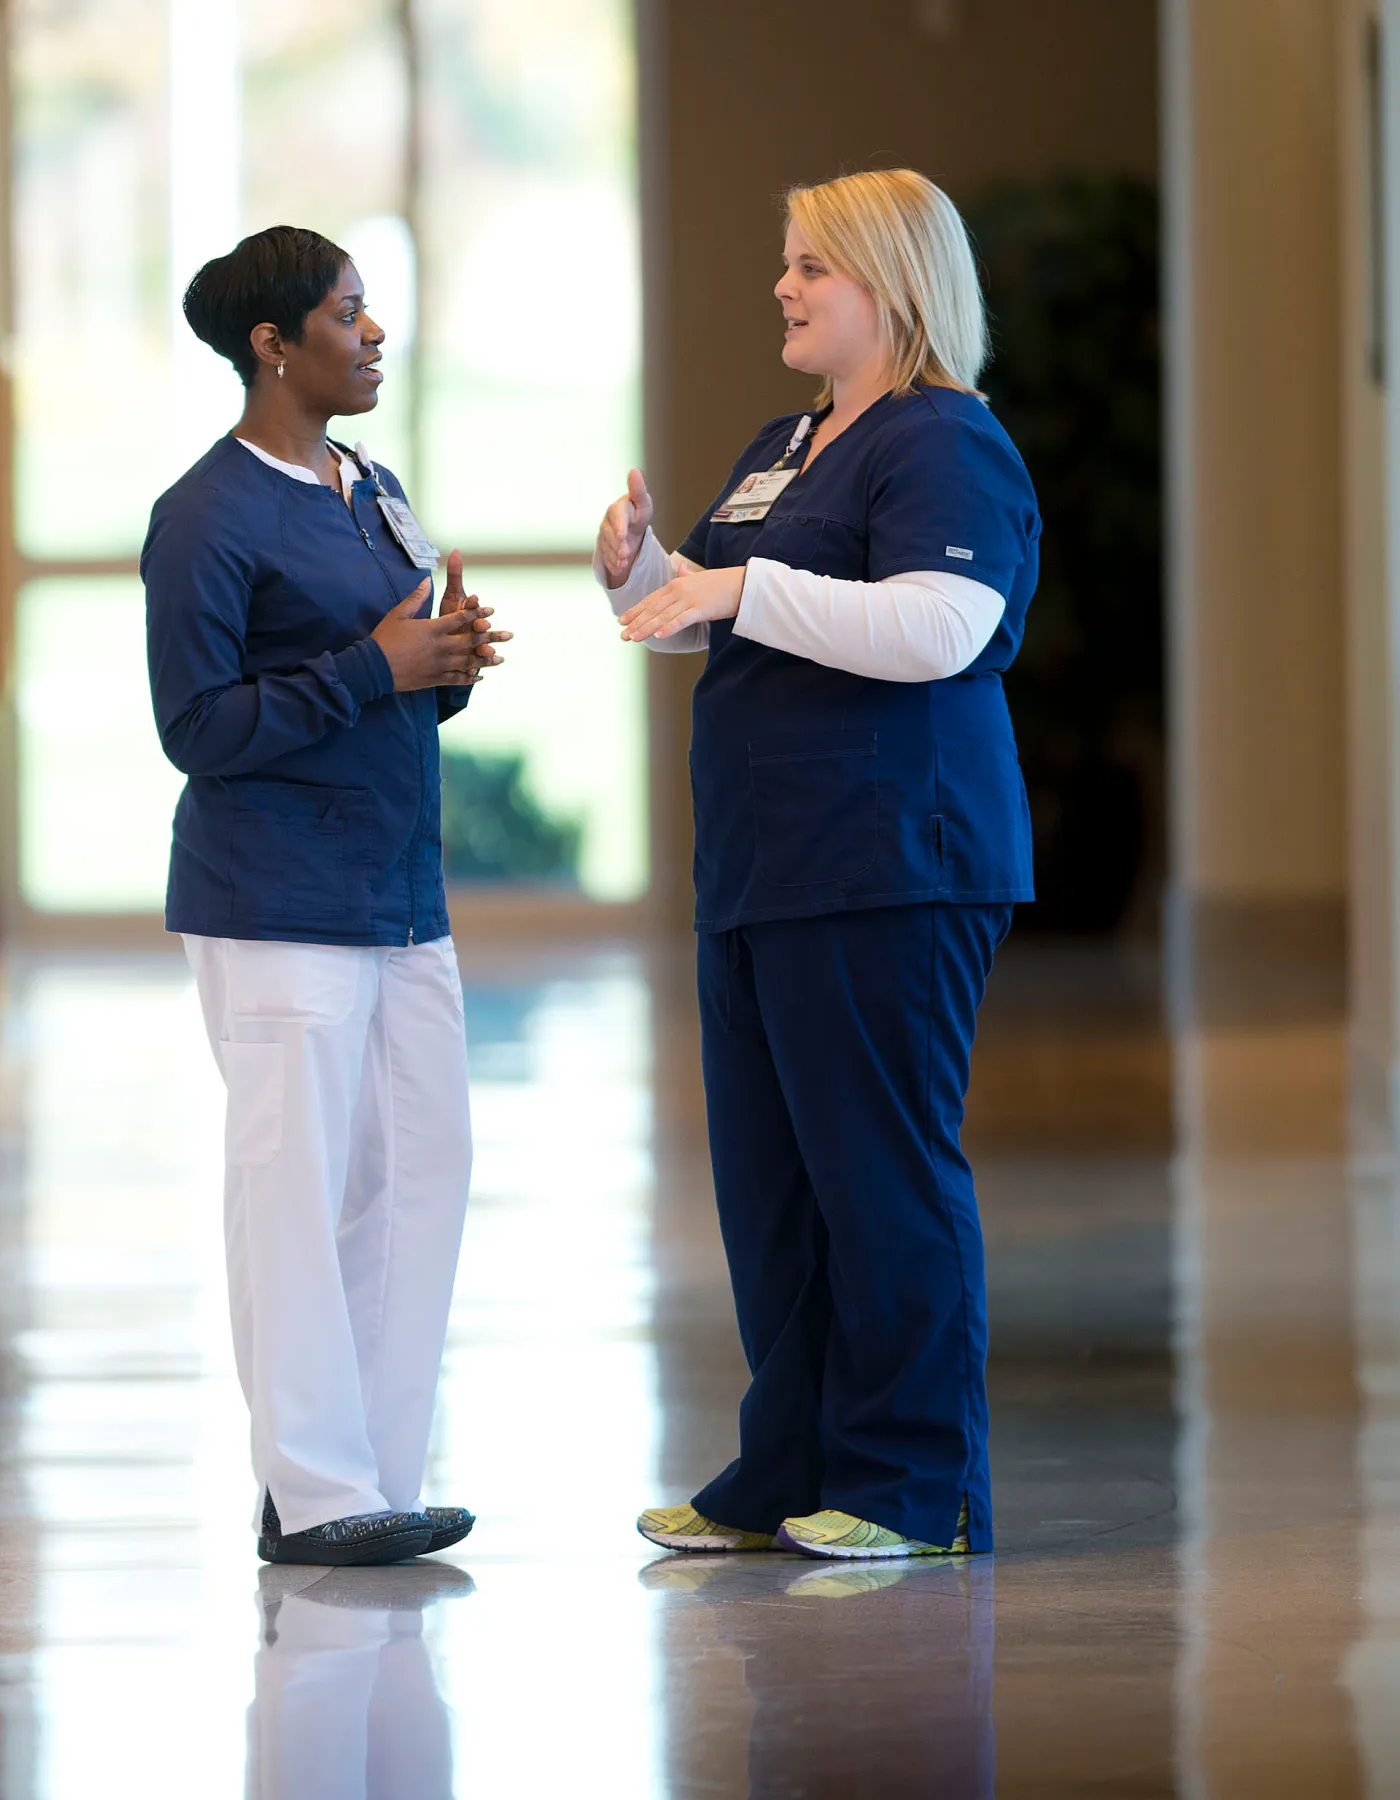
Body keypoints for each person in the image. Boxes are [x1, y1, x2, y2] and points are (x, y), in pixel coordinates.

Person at [601, 169, 1041, 1559]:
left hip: (888, 864)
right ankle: (785, 1470)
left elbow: (939, 628)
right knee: (774, 1185)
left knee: (878, 1174)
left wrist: (737, 587)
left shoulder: (943, 443)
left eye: (812, 268)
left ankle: (915, 1487)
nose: (783, 288)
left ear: (894, 286)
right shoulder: (794, 437)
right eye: (785, 262)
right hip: (765, 867)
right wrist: (645, 574)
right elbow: (729, 621)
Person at [145, 224, 505, 1567]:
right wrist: (374, 668)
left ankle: (368, 1476)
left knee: (422, 1171)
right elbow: (197, 725)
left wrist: (445, 660)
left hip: (401, 892)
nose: (373, 336)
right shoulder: (205, 516)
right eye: (350, 315)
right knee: (293, 1185)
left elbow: (401, 663)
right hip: (275, 898)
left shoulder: (373, 486)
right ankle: (312, 1486)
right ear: (273, 343)